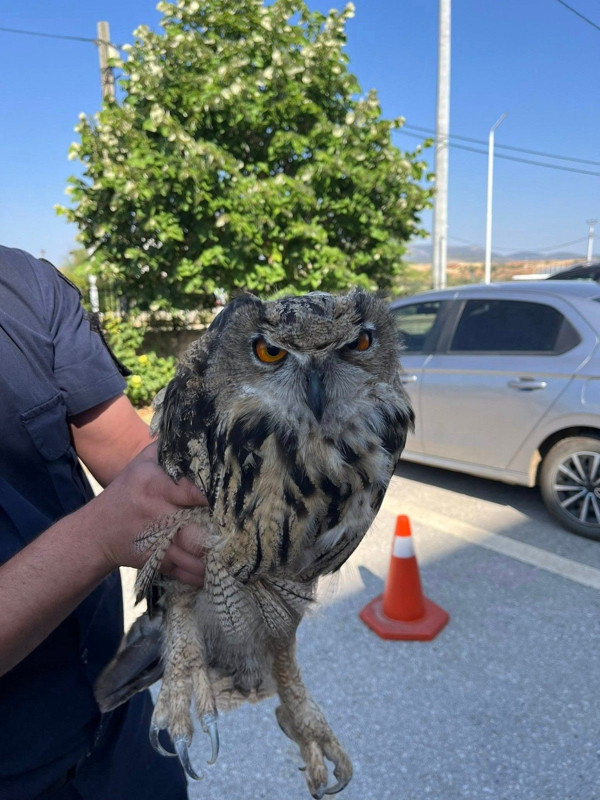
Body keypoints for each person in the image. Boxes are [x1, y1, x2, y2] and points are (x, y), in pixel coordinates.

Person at [0, 245, 207, 799]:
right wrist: (99, 536)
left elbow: (132, 458)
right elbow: (120, 518)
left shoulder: (23, 284)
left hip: (121, 732)